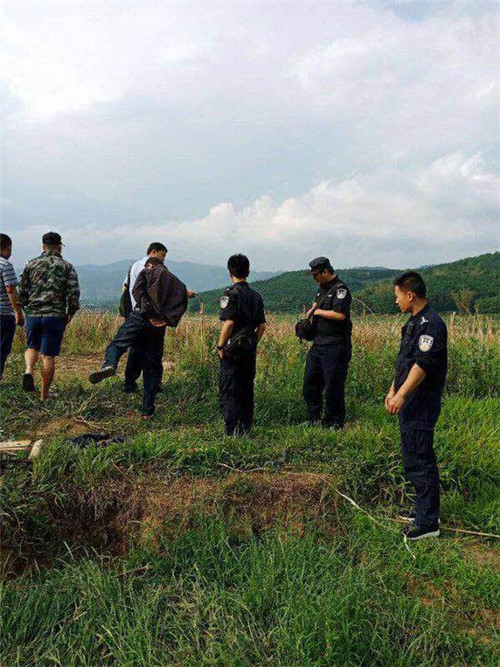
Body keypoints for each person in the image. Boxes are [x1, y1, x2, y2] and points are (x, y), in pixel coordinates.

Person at [385, 271, 447, 541]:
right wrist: (393, 390)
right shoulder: (411, 323)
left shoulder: (431, 324)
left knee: (420, 458)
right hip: (409, 400)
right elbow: (404, 362)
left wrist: (403, 395)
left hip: (421, 402)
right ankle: (425, 510)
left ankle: (428, 522)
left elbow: (423, 365)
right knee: (412, 455)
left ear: (410, 295)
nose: (396, 300)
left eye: (397, 295)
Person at [89, 257, 190, 419]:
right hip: (158, 325)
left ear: (150, 264)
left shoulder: (147, 271)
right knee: (151, 366)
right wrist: (167, 320)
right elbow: (182, 299)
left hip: (139, 317)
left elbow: (136, 291)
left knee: (117, 345)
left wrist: (146, 311)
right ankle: (147, 411)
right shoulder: (173, 280)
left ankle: (109, 365)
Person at [18, 232, 80, 401]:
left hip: (33, 314)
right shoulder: (66, 266)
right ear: (59, 247)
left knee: (32, 347)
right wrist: (70, 314)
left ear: (43, 246)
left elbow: (22, 292)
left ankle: (29, 370)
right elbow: (73, 294)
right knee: (48, 356)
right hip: (54, 316)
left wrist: (26, 309)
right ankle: (44, 394)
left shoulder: (31, 264)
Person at [217, 254, 266, 436]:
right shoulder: (256, 296)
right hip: (249, 350)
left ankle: (231, 431)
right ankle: (246, 428)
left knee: (230, 389)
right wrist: (252, 343)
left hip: (232, 351)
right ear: (248, 272)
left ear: (230, 273)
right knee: (246, 388)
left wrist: (220, 346)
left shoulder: (231, 294)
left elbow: (228, 323)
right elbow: (262, 326)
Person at [302, 257, 352, 430]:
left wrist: (318, 312)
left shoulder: (341, 289)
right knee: (310, 382)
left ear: (325, 272)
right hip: (318, 343)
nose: (315, 278)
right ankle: (314, 417)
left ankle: (335, 421)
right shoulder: (322, 289)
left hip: (336, 345)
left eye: (316, 275)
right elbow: (316, 304)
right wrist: (311, 311)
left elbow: (340, 315)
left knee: (333, 385)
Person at [122, 242, 168, 394]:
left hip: (135, 315)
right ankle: (154, 385)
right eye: (162, 255)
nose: (163, 260)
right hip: (152, 316)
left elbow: (125, 288)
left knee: (136, 350)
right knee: (154, 351)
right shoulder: (155, 268)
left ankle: (129, 384)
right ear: (154, 252)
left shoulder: (133, 266)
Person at [0, 233, 24, 379]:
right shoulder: (5, 265)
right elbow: (11, 289)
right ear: (8, 248)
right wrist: (18, 311)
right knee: (2, 349)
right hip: (3, 314)